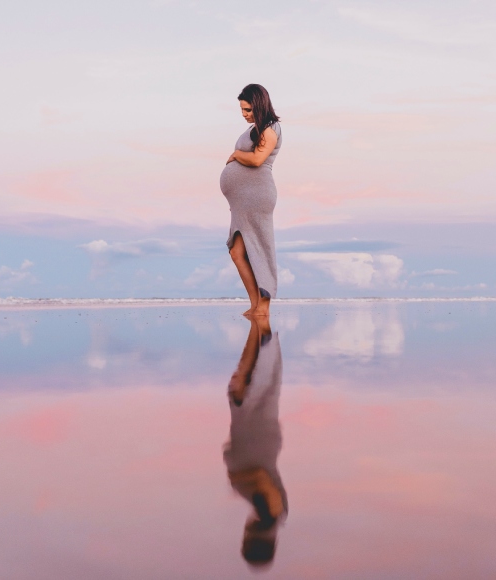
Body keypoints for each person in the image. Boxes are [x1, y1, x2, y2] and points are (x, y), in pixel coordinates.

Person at [223, 316, 287, 568]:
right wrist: (237, 480)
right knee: (254, 375)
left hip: (255, 434)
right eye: (246, 539)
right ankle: (260, 321)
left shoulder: (273, 516)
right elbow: (260, 476)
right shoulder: (269, 515)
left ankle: (260, 324)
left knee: (259, 375)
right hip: (255, 433)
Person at [220, 84, 282, 317]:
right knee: (237, 252)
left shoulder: (270, 129)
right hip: (242, 201)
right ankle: (256, 304)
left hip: (257, 197)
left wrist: (236, 155)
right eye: (242, 110)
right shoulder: (256, 128)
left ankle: (263, 307)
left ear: (259, 105)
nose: (244, 114)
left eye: (248, 109)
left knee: (259, 248)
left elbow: (257, 159)